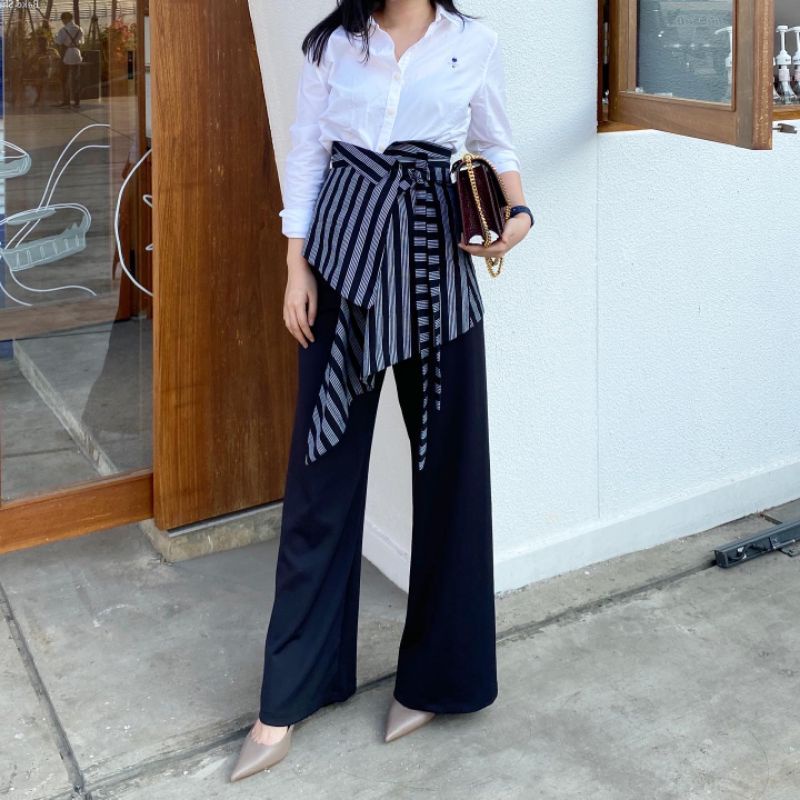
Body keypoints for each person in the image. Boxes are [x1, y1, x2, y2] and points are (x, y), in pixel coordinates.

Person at [231, 0, 533, 782]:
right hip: (342, 263)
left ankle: (438, 679)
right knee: (320, 477)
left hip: (437, 269)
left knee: (450, 478)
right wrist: (295, 266)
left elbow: (495, 141)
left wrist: (519, 211)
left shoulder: (474, 43)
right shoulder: (334, 44)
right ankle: (290, 694)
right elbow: (308, 148)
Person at [54, 12, 84, 108]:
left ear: (66, 19)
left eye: (63, 20)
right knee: (76, 79)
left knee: (64, 78)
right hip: (76, 54)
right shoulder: (80, 29)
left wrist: (55, 38)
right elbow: (82, 42)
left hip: (66, 54)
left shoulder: (63, 30)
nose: (62, 22)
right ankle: (77, 101)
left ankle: (66, 100)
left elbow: (59, 42)